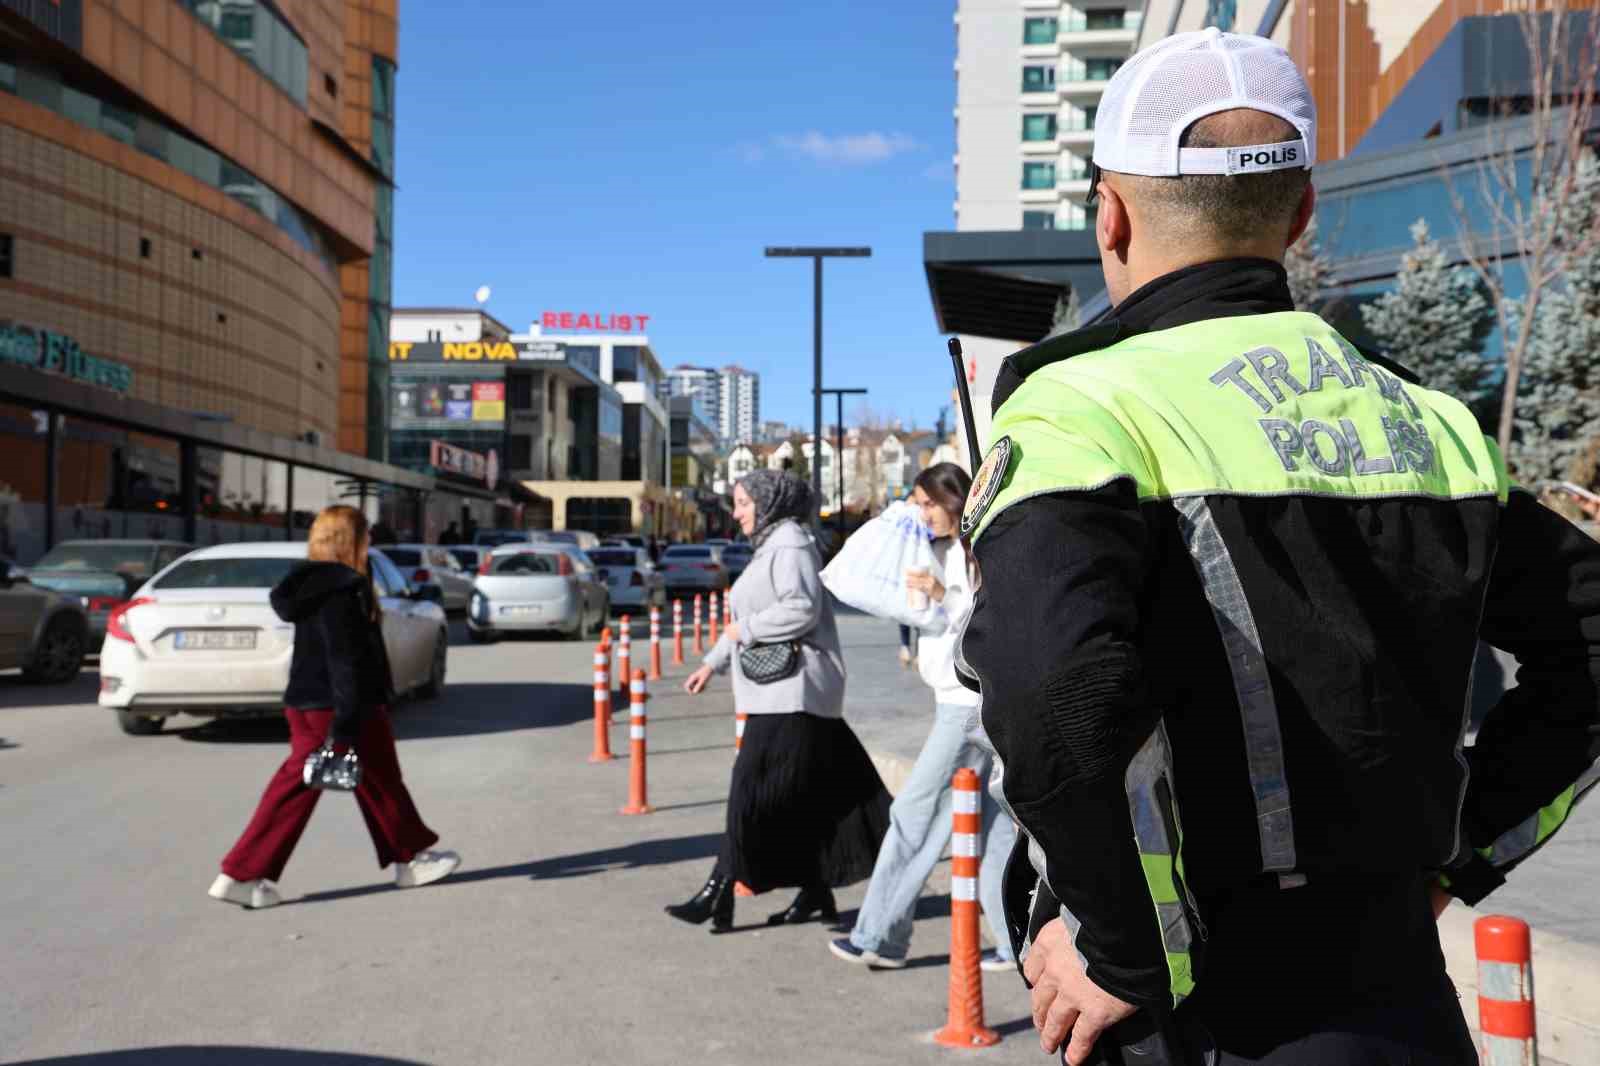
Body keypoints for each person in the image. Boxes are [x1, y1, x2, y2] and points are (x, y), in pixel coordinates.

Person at [958, 28, 1600, 1066]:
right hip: (1403, 1007)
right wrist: (1459, 854)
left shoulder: (1083, 407)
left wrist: (1127, 955)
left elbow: (1054, 693)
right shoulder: (1430, 422)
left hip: (1204, 1018)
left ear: (1110, 214)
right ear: (1299, 215)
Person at [669, 470, 890, 931]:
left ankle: (718, 890)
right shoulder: (773, 544)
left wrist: (741, 632)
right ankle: (815, 891)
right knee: (816, 797)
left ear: (769, 502)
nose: (737, 513)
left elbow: (801, 607)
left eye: (744, 502)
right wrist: (712, 662)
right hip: (785, 689)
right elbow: (747, 618)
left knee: (750, 788)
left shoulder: (790, 542)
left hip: (794, 689)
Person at [209, 504, 460, 909]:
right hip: (341, 704)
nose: (372, 540)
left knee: (362, 781)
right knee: (349, 782)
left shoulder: (312, 585)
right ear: (352, 541)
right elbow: (344, 658)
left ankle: (408, 857)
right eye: (366, 534)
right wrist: (346, 721)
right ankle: (241, 873)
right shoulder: (342, 589)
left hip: (313, 702)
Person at [829, 463, 1017, 971]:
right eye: (917, 503)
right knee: (991, 828)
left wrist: (944, 597)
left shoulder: (977, 551)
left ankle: (879, 936)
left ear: (953, 500)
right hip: (959, 703)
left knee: (913, 814)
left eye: (928, 503)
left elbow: (990, 623)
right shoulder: (946, 551)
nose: (922, 512)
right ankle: (1016, 941)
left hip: (966, 707)